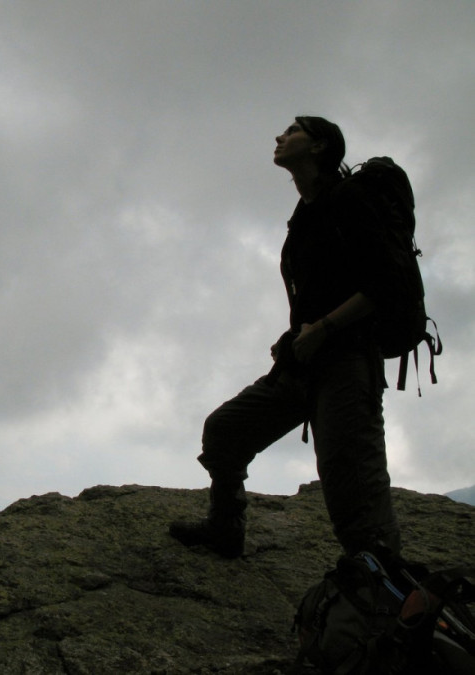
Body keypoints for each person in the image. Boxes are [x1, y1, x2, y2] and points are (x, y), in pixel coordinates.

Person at [169, 116, 401, 560]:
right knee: (225, 430)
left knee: (351, 489)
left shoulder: (350, 201)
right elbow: (318, 292)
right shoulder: (306, 213)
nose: (279, 136)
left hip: (348, 366)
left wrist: (325, 328)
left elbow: (383, 285)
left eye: (292, 131)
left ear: (318, 147)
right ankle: (225, 526)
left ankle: (385, 595)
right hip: (305, 362)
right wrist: (296, 335)